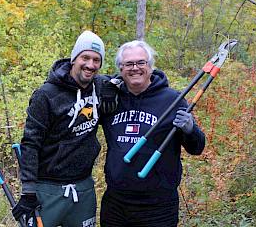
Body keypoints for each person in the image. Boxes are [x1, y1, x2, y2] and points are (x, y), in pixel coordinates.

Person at [98, 40, 206, 227]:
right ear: (120, 69)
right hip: (116, 203)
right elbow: (82, 79)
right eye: (129, 64)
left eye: (141, 62)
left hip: (158, 207)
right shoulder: (111, 98)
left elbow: (197, 148)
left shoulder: (173, 99)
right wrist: (106, 86)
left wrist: (190, 129)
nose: (135, 68)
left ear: (150, 66)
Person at [13, 31, 105, 227]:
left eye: (96, 60)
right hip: (48, 189)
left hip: (83, 188)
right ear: (74, 58)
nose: (90, 64)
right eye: (85, 57)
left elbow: (134, 76)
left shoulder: (101, 87)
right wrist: (28, 191)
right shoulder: (46, 95)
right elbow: (30, 143)